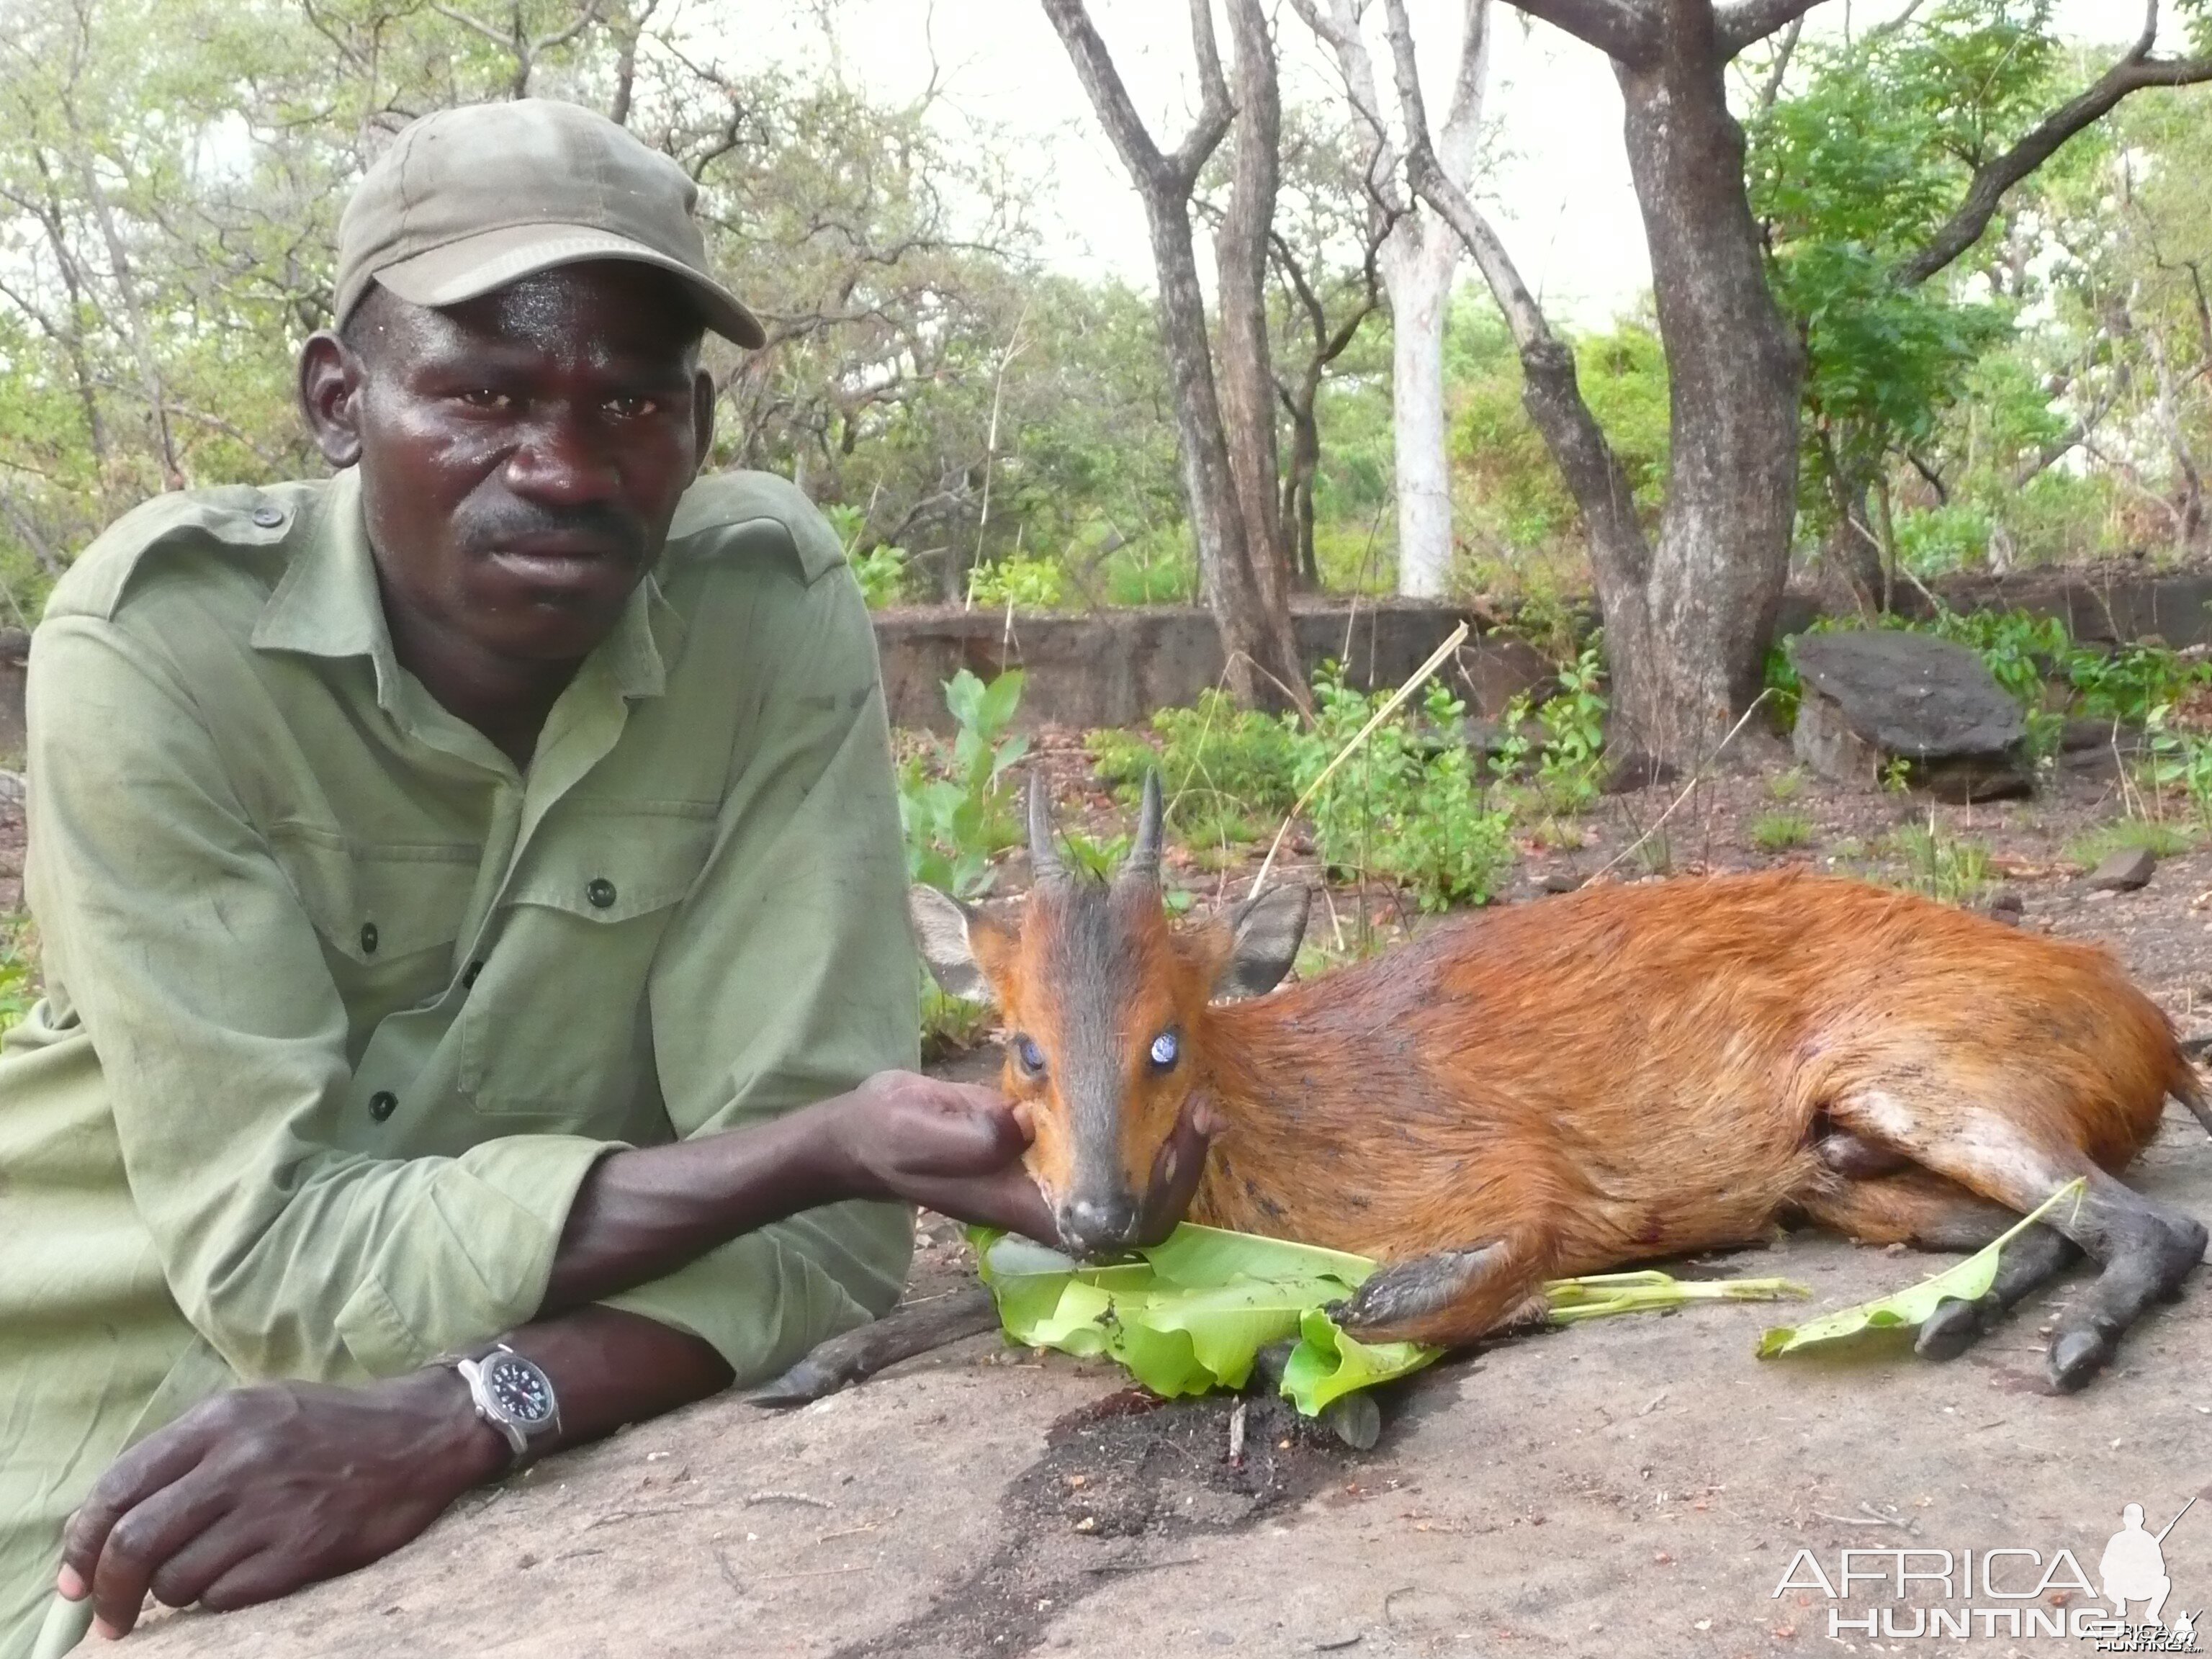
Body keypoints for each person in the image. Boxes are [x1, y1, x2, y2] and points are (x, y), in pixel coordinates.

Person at [0, 97, 1209, 1658]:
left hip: (511, 1411)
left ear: (697, 432)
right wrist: (808, 1154)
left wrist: (477, 1407)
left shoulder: (761, 613)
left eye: (633, 406)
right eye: (483, 392)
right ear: (338, 399)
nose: (566, 469)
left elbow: (830, 1247)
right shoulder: (162, 648)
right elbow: (280, 1272)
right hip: (91, 1388)